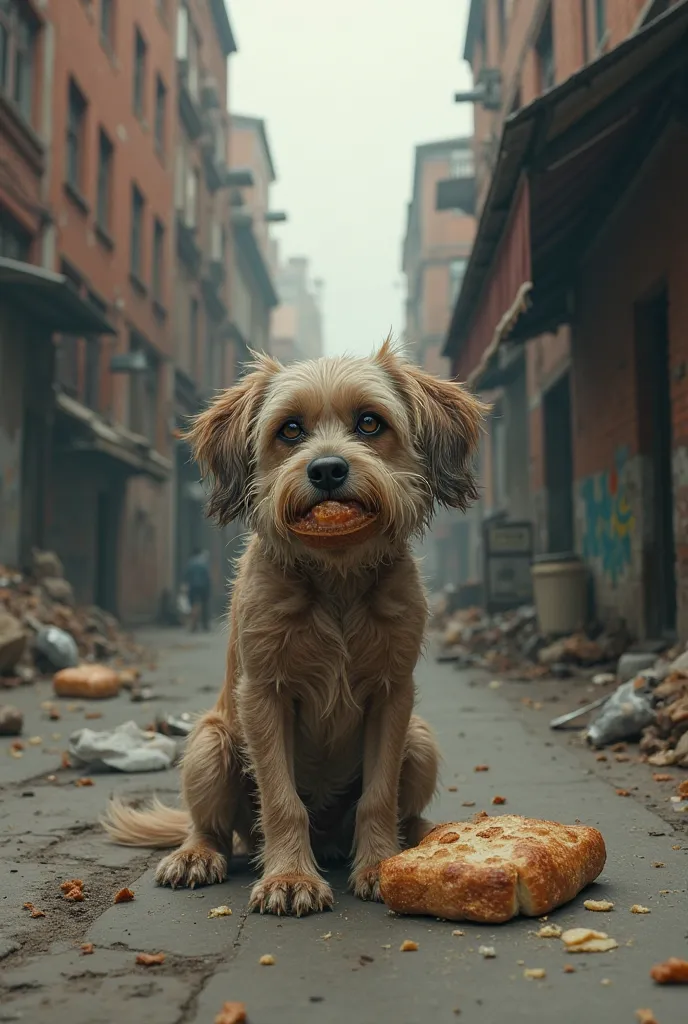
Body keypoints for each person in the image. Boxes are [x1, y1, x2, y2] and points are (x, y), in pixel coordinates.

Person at [184, 547, 211, 632]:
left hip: (193, 586)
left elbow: (187, 575)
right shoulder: (204, 562)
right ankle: (205, 625)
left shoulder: (190, 562)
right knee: (204, 605)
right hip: (203, 586)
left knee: (194, 605)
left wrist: (186, 585)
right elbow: (207, 576)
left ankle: (193, 624)